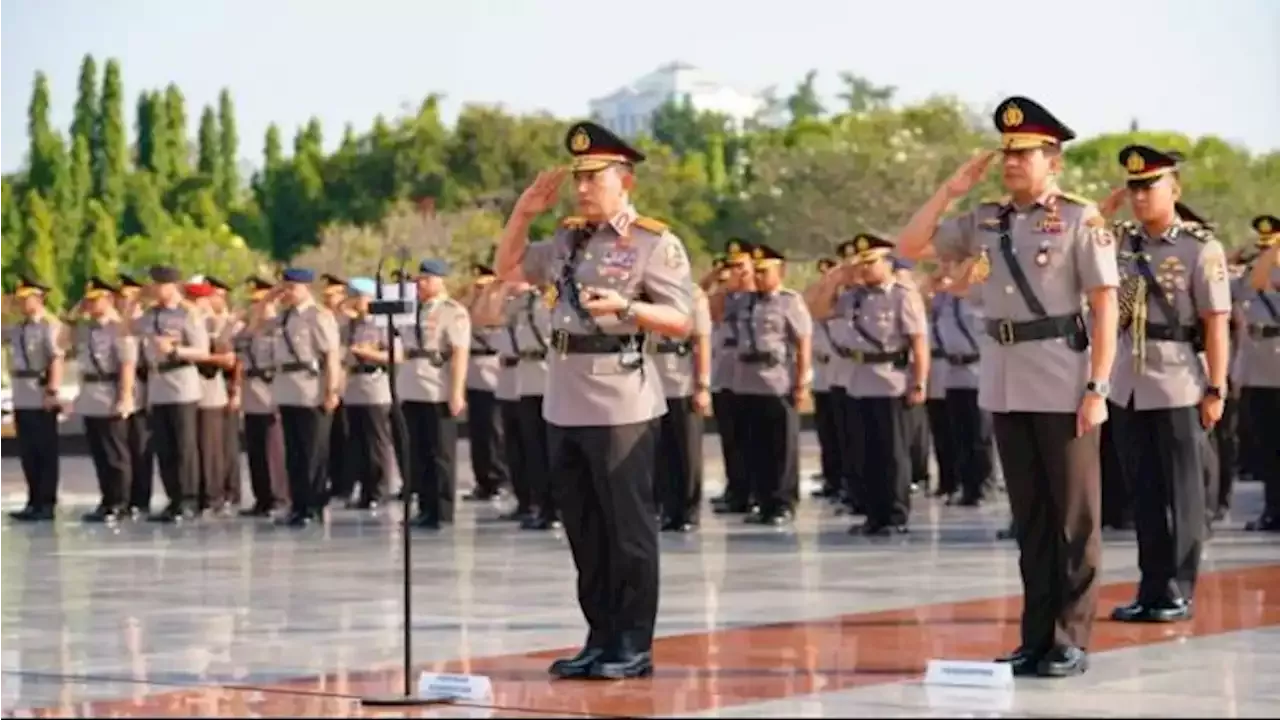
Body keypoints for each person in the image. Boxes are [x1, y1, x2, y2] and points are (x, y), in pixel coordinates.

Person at [896, 96, 1119, 677]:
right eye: (1007, 154)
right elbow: (909, 246)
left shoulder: (1079, 219)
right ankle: (1036, 636)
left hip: (1063, 377)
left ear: (1055, 161)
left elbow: (1104, 307)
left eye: (1025, 154)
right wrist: (951, 188)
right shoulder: (987, 218)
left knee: (1073, 516)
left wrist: (1098, 385)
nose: (1012, 163)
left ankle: (1071, 637)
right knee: (1032, 519)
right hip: (1004, 379)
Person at [494, 120, 694, 680]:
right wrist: (522, 213)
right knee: (585, 528)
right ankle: (599, 636)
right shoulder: (565, 238)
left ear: (624, 180)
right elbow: (507, 267)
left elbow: (683, 320)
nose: (582, 189)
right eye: (577, 178)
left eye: (594, 177)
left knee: (628, 530)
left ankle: (632, 644)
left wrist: (628, 309)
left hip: (620, 401)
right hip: (564, 397)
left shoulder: (655, 242)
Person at [1104, 145, 1229, 623]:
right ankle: (1151, 587)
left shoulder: (1199, 248)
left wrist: (1216, 388)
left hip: (1179, 381)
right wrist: (1107, 207)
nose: (1139, 196)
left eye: (1148, 186)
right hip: (1127, 383)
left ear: (1174, 189)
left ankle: (1179, 588)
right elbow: (1079, 238)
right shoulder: (1119, 242)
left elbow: (1215, 323)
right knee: (1145, 493)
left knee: (1184, 493)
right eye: (1132, 187)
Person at [813, 235, 927, 534]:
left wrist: (919, 381)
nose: (863, 269)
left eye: (870, 262)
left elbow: (918, 340)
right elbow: (818, 310)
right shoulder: (852, 296)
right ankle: (874, 514)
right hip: (857, 380)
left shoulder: (902, 294)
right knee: (866, 451)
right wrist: (835, 278)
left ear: (887, 261)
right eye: (859, 264)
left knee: (892, 453)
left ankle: (895, 514)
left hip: (891, 380)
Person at [731, 244, 812, 526]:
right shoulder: (743, 301)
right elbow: (715, 309)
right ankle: (763, 501)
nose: (759, 277)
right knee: (755, 446)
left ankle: (782, 502)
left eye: (765, 271)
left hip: (777, 381)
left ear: (781, 272)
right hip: (746, 381)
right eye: (756, 271)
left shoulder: (789, 302)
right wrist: (734, 277)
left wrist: (801, 382)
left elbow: (802, 343)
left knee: (782, 446)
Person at [396, 259, 470, 530]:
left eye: (426, 280)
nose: (421, 285)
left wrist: (456, 392)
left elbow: (459, 353)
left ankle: (442, 510)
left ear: (441, 280)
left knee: (441, 453)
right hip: (413, 385)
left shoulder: (453, 311)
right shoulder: (413, 310)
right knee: (419, 452)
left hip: (437, 386)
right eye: (418, 280)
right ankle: (425, 507)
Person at [137, 265, 209, 524]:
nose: (153, 289)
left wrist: (175, 350)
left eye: (156, 285)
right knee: (165, 447)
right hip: (158, 386)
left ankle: (189, 499)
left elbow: (202, 350)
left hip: (181, 384)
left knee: (184, 447)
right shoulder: (150, 314)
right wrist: (133, 301)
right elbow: (126, 330)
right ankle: (173, 498)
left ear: (170, 285)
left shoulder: (189, 314)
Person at [273, 267, 342, 527]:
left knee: (314, 452)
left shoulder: (319, 316)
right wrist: (270, 299)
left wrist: (331, 391)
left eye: (291, 288)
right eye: (285, 287)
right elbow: (254, 326)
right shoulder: (284, 317)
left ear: (305, 288)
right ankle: (298, 504)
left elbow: (331, 356)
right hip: (288, 390)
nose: (287, 292)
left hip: (311, 389)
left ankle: (314, 505)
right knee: (295, 453)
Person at [75, 277, 139, 524]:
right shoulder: (88, 329)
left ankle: (120, 502)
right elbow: (69, 322)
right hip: (91, 395)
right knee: (100, 454)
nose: (89, 305)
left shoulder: (119, 329)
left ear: (109, 299)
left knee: (116, 454)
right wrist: (82, 304)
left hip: (110, 393)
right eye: (88, 301)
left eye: (94, 300)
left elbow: (127, 364)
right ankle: (107, 499)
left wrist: (125, 396)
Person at [653, 281, 712, 532]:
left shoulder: (692, 295)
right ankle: (667, 508)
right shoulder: (642, 293)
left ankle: (688, 510)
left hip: (681, 380)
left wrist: (702, 385)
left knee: (686, 451)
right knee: (659, 451)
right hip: (652, 381)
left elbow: (702, 341)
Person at [6, 276, 65, 522]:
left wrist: (52, 391)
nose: (21, 303)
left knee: (45, 450)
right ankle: (33, 499)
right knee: (28, 451)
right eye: (18, 299)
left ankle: (46, 502)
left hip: (40, 391)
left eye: (26, 298)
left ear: (39, 298)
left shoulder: (50, 325)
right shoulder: (19, 327)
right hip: (22, 392)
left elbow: (56, 359)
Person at [341, 277, 398, 510]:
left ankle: (380, 489)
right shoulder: (351, 325)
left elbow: (395, 355)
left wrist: (366, 353)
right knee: (358, 442)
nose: (355, 302)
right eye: (352, 296)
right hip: (354, 385)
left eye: (359, 296)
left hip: (375, 384)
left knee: (377, 441)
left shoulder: (382, 323)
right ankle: (365, 489)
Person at [709, 240, 756, 515]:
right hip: (724, 375)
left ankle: (756, 491)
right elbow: (710, 311)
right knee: (731, 438)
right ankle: (737, 490)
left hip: (752, 378)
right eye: (731, 266)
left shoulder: (760, 298)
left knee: (754, 438)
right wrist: (721, 283)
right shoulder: (727, 297)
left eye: (741, 266)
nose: (735, 272)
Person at [234, 276, 288, 517]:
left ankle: (278, 496)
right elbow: (233, 343)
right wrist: (250, 317)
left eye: (262, 302)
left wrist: (269, 305)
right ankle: (261, 497)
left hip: (271, 390)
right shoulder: (251, 329)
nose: (258, 306)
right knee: (255, 449)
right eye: (254, 302)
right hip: (251, 392)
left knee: (273, 448)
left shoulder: (280, 328)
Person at [1239, 213, 1280, 532]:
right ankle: (1272, 508)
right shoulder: (1254, 275)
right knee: (1266, 446)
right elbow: (1246, 285)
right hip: (1258, 370)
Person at [461, 264, 510, 502]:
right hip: (474, 372)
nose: (479, 288)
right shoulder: (472, 302)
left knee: (494, 430)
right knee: (478, 431)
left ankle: (499, 478)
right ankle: (483, 479)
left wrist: (491, 293)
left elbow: (487, 319)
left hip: (493, 371)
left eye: (484, 284)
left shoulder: (498, 302)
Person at [117, 273, 154, 517]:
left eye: (128, 296)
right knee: (126, 445)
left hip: (143, 388)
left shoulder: (143, 322)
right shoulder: (119, 324)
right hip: (122, 390)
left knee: (141, 447)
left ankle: (140, 498)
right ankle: (127, 495)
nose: (123, 301)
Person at [806, 257, 843, 501]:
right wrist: (826, 284)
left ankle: (847, 482)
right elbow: (812, 307)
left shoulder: (851, 300)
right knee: (827, 433)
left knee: (846, 434)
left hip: (844, 374)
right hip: (823, 375)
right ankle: (832, 479)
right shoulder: (822, 297)